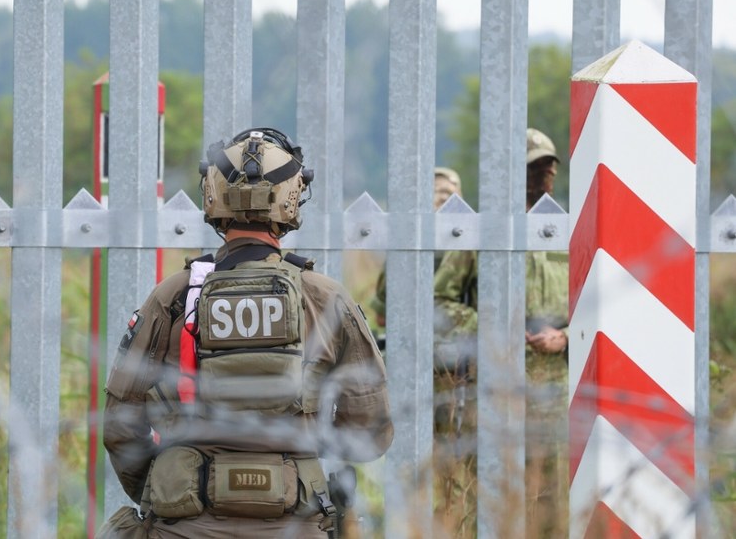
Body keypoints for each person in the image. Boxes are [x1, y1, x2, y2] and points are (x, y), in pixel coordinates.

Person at [99, 128, 394, 539]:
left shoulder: (173, 295)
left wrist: (169, 488)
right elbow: (369, 431)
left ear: (212, 195)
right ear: (292, 197)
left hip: (184, 526)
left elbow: (119, 425)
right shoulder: (326, 299)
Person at [432, 128, 569, 537]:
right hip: (491, 391)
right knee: (487, 501)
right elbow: (440, 301)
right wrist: (497, 331)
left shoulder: (568, 233)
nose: (542, 177)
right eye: (532, 168)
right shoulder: (480, 233)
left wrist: (565, 337)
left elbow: (592, 310)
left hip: (553, 396)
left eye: (547, 167)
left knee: (548, 505)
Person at [369, 166, 462, 332]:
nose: (442, 198)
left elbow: (382, 317)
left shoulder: (402, 249)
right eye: (437, 192)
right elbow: (381, 317)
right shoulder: (403, 249)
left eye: (448, 194)